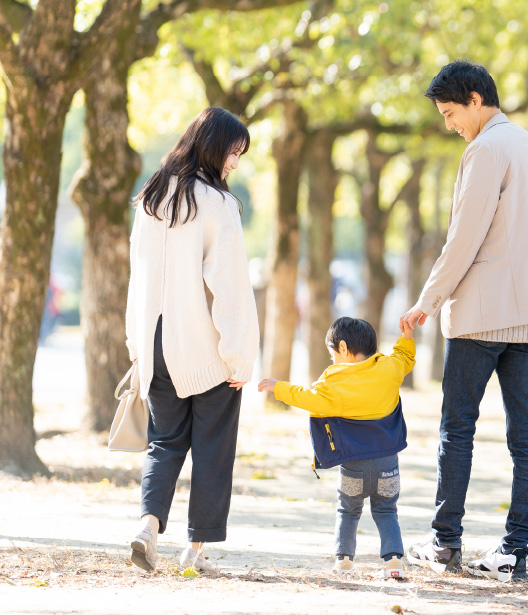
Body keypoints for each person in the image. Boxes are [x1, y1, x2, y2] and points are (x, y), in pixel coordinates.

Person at [401, 60, 528, 582]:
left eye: (452, 113)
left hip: (481, 317)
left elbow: (465, 237)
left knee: (458, 430)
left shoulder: (485, 150)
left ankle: (444, 542)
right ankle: (513, 552)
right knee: (527, 435)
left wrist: (427, 301)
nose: (449, 124)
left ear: (476, 99)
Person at [125, 107, 259, 572]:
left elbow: (135, 280)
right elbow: (231, 288)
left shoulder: (149, 199)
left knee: (164, 443)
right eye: (233, 152)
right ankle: (195, 550)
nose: (234, 164)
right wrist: (240, 357)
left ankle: (148, 525)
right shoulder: (217, 204)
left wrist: (136, 346)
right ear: (213, 147)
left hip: (156, 344)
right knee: (213, 448)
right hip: (205, 347)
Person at [258, 317, 415, 579]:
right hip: (388, 464)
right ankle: (394, 562)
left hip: (353, 465)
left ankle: (343, 561)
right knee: (387, 510)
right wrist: (407, 336)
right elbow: (404, 357)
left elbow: (309, 398)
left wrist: (279, 388)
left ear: (342, 347)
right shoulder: (390, 369)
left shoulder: (334, 382)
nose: (332, 360)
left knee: (348, 510)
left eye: (332, 353)